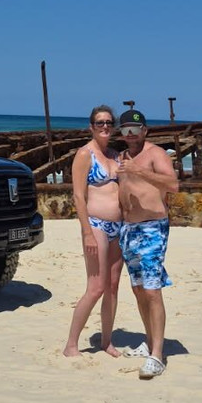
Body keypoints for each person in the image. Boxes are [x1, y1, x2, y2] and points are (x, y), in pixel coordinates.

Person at [116, 106, 179, 378]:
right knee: (139, 289)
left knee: (152, 290)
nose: (130, 134)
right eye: (125, 130)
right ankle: (149, 340)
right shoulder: (122, 157)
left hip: (152, 228)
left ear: (145, 131)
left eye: (135, 129)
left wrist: (138, 171)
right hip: (129, 230)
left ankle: (158, 355)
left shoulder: (156, 154)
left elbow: (173, 185)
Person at [62, 105, 125, 357]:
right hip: (96, 225)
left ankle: (106, 341)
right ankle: (71, 345)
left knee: (112, 286)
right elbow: (78, 195)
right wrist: (86, 231)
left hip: (118, 228)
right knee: (96, 287)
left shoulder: (116, 156)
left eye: (109, 122)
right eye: (100, 123)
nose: (105, 126)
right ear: (91, 126)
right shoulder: (85, 154)